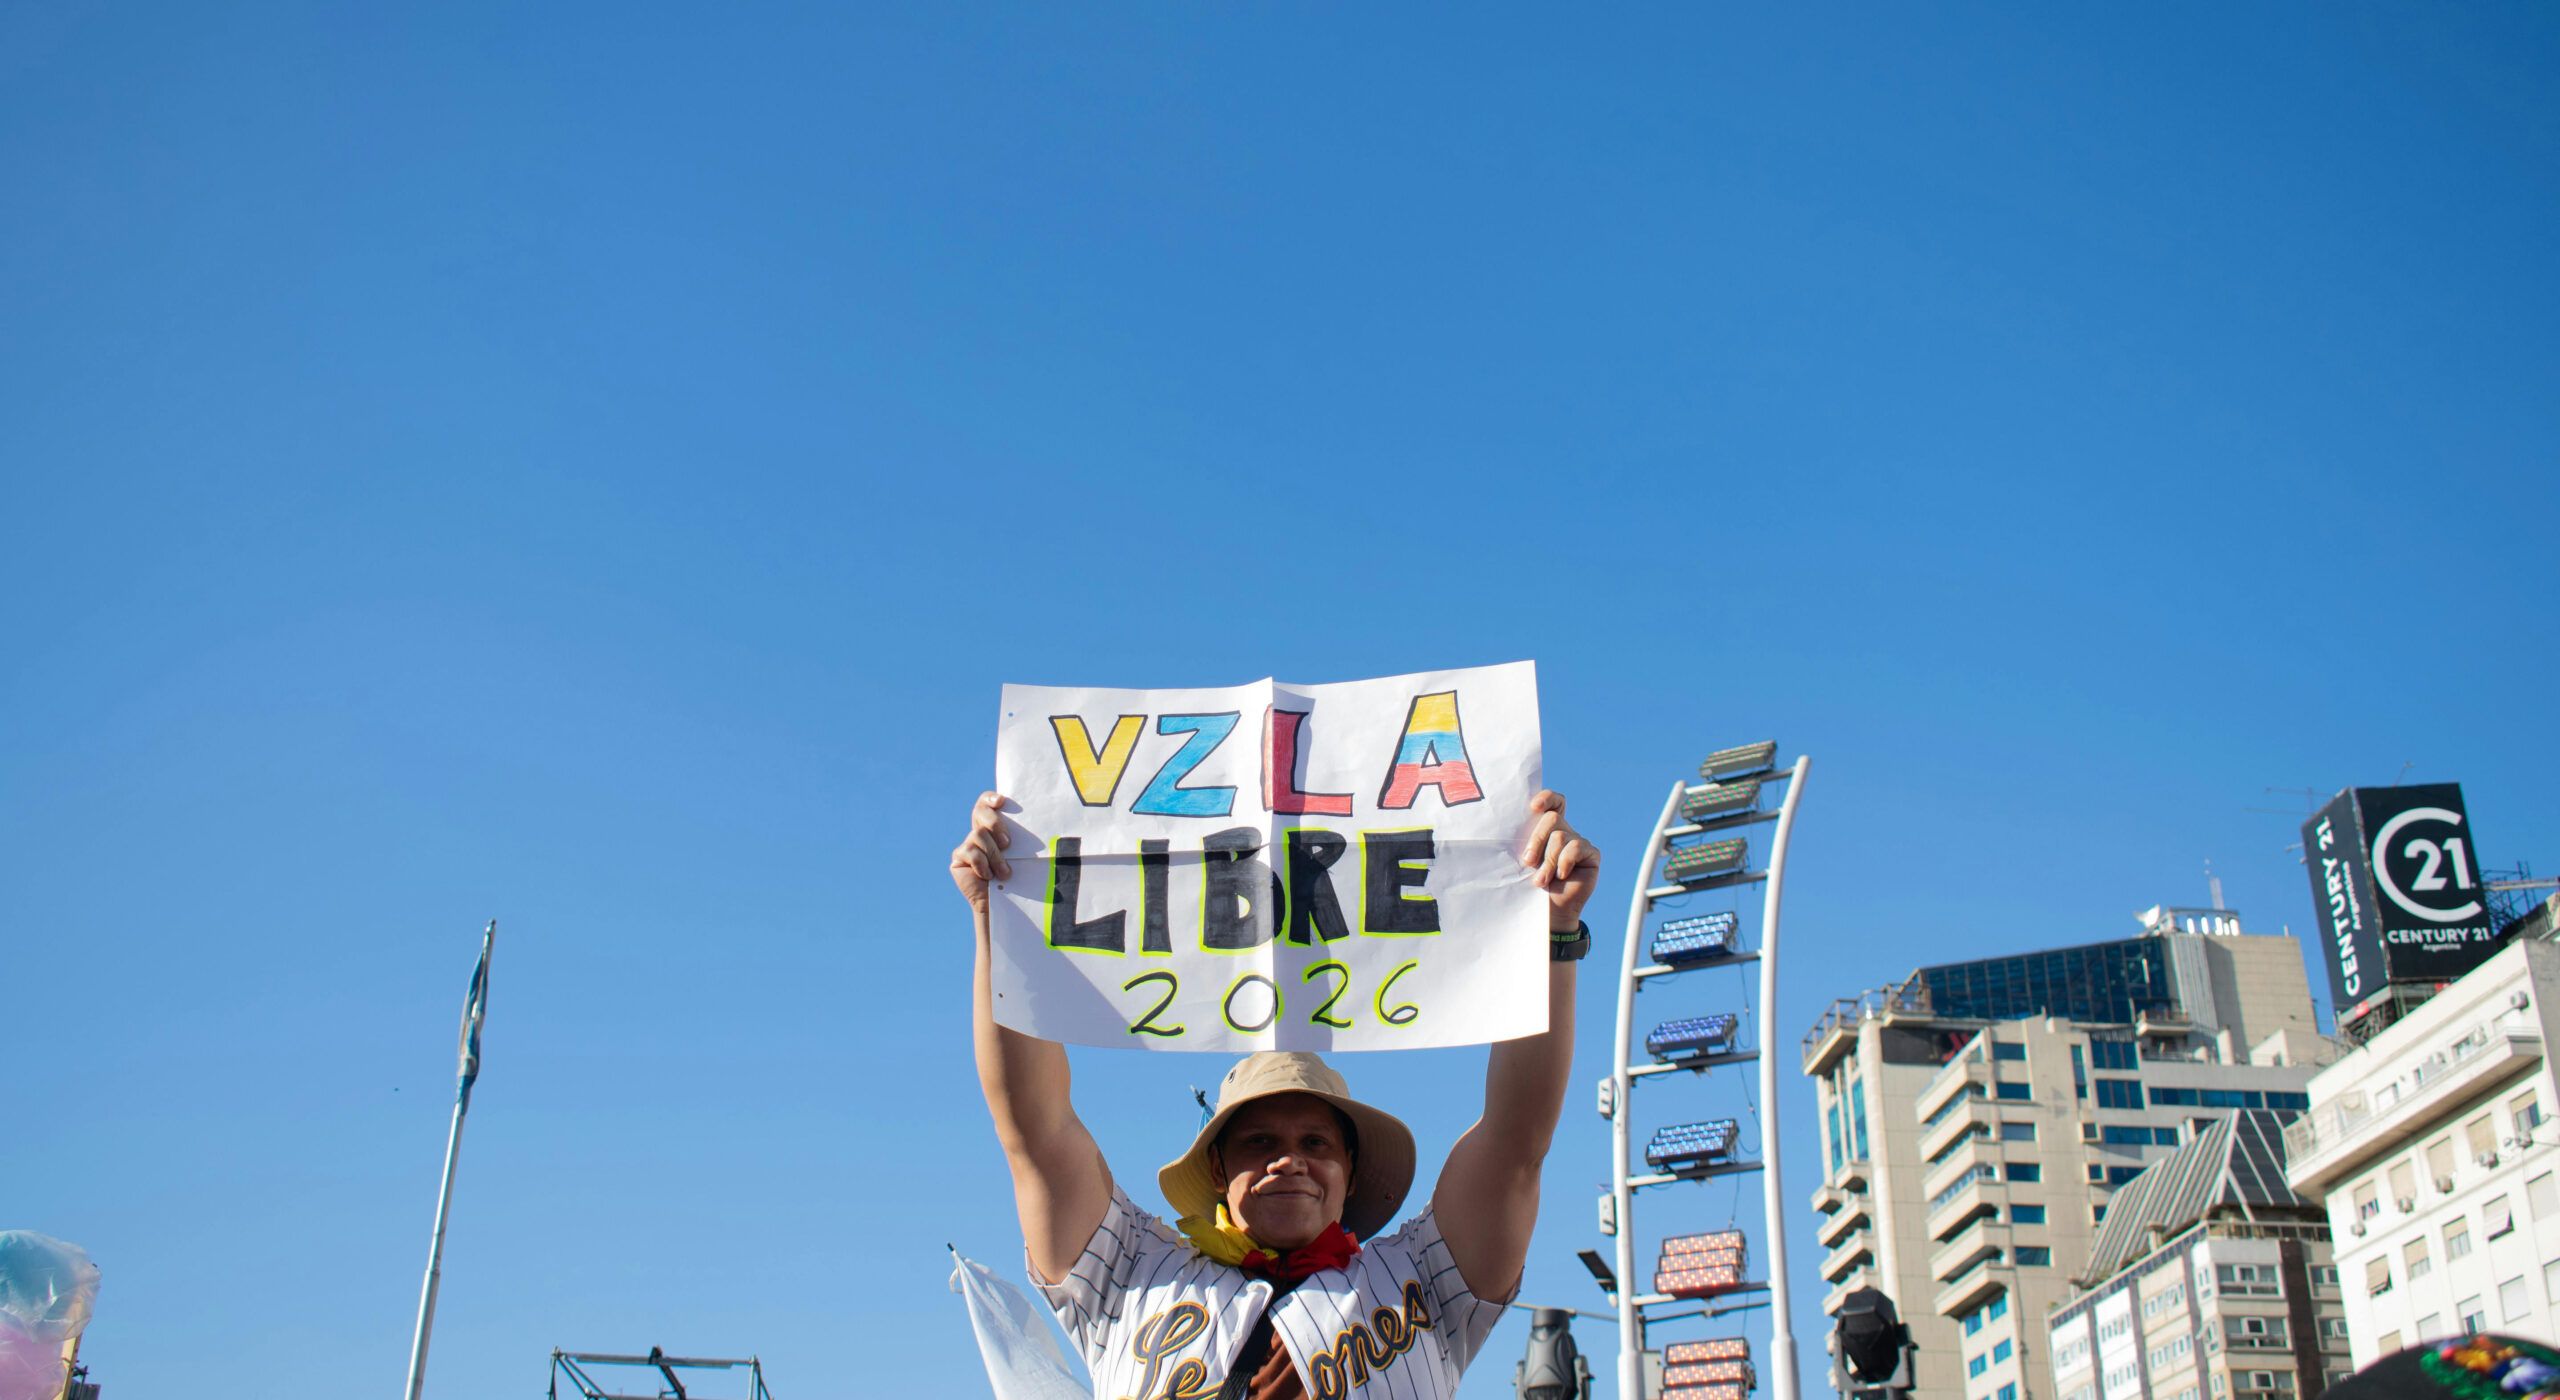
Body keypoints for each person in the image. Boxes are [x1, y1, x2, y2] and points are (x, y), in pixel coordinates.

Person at [950, 788, 1600, 1400]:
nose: (1288, 1160)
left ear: (1352, 1171)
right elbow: (1038, 1133)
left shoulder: (1426, 1280)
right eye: (1259, 1142)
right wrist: (997, 923)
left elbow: (1516, 1141)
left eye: (1315, 1142)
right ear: (1217, 1167)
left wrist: (1552, 938)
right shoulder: (1128, 1274)